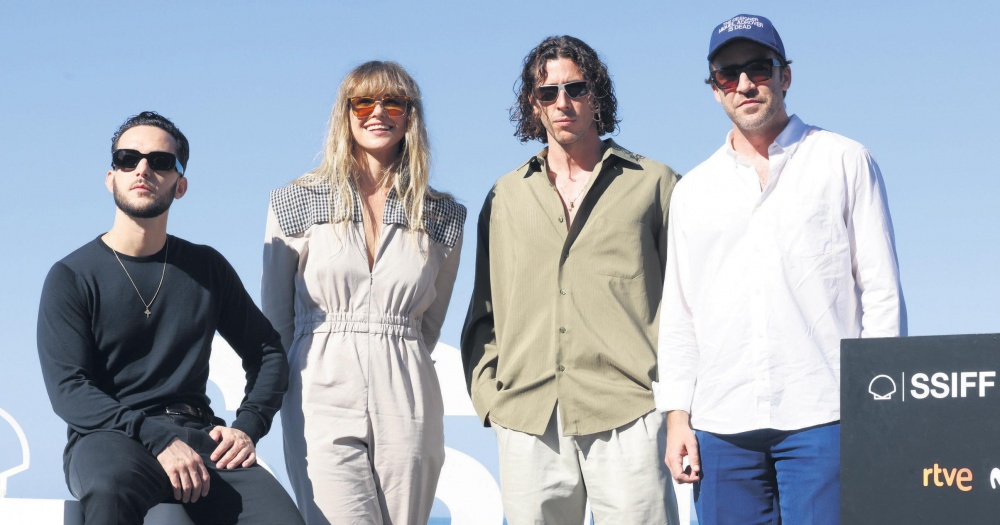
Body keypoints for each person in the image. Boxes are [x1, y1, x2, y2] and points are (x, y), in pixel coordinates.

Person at [658, 14, 906, 525]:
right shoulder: (693, 191)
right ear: (715, 90)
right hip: (721, 425)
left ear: (785, 75)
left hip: (825, 415)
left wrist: (875, 406)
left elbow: (881, 294)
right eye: (728, 74)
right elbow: (680, 314)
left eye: (758, 68)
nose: (745, 84)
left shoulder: (844, 161)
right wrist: (677, 417)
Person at [37, 111, 304, 525]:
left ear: (180, 186)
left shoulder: (206, 268)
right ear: (111, 177)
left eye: (160, 162)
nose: (142, 169)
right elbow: (69, 389)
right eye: (128, 159)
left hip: (201, 438)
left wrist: (248, 426)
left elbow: (267, 351)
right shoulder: (72, 275)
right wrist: (155, 438)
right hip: (110, 439)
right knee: (110, 490)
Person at [462, 36, 680, 525]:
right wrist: (490, 401)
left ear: (596, 94)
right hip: (527, 417)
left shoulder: (654, 184)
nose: (562, 103)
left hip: (630, 411)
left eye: (575, 88)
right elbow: (483, 309)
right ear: (533, 104)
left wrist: (672, 401)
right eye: (548, 92)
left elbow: (689, 303)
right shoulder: (504, 196)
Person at [262, 61, 466, 525]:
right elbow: (276, 318)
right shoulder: (295, 199)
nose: (378, 112)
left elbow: (430, 323)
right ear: (346, 112)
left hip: (407, 383)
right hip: (319, 385)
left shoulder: (443, 214)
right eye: (364, 102)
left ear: (410, 116)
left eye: (393, 102)